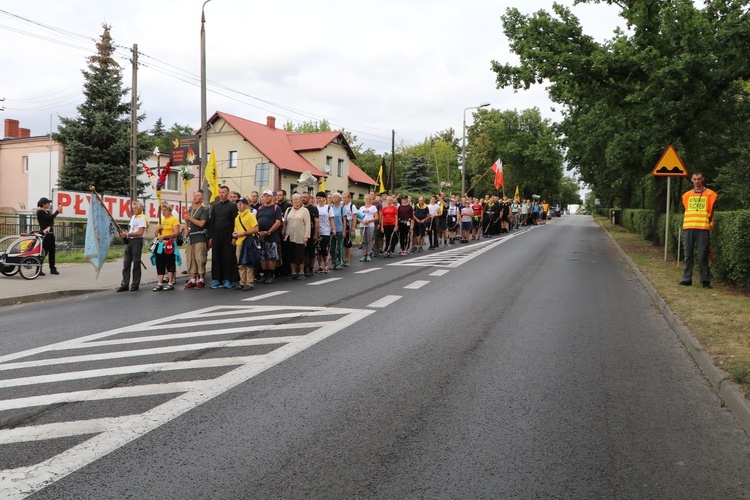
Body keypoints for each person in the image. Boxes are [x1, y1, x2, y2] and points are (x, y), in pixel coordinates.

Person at [679, 172, 718, 289]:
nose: (697, 181)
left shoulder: (711, 194)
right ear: (691, 180)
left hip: (703, 228)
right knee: (688, 255)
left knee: (703, 255)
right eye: (695, 179)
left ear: (703, 179)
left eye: (699, 179)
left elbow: (712, 212)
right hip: (689, 228)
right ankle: (686, 279)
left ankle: (705, 281)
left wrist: (710, 224)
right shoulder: (686, 195)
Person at [207, 185, 239, 289]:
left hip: (228, 235)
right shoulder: (215, 206)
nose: (221, 194)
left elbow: (235, 222)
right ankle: (217, 279)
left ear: (228, 194)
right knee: (216, 257)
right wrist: (211, 237)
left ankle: (228, 279)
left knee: (228, 257)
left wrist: (234, 237)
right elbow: (212, 222)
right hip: (216, 235)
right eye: (220, 192)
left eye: (223, 192)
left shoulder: (233, 206)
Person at [117, 201, 148, 292]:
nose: (134, 210)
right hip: (130, 240)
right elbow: (131, 229)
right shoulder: (133, 217)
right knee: (126, 263)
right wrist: (126, 234)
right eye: (133, 208)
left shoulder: (142, 218)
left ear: (141, 209)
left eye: (136, 208)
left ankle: (135, 283)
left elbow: (140, 232)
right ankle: (125, 283)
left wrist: (128, 234)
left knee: (136, 263)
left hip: (137, 241)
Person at [183, 191, 209, 289]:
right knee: (190, 258)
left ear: (201, 199)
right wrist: (185, 229)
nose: (195, 197)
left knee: (200, 258)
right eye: (194, 195)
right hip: (191, 237)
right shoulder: (190, 210)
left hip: (199, 236)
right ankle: (192, 278)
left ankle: (201, 279)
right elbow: (186, 222)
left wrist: (190, 218)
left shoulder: (203, 210)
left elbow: (202, 224)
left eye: (197, 196)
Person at [255, 190, 283, 283]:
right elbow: (256, 221)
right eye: (264, 196)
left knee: (271, 256)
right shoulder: (260, 208)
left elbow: (278, 222)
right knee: (263, 257)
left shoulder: (276, 208)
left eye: (268, 196)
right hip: (261, 236)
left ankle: (271, 275)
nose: (266, 198)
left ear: (272, 197)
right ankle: (265, 274)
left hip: (272, 236)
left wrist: (269, 232)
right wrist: (259, 232)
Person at [232, 197, 259, 291]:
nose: (239, 205)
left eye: (241, 203)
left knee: (248, 262)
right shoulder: (237, 217)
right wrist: (234, 234)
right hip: (239, 242)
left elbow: (255, 228)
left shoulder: (250, 215)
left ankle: (249, 283)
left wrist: (244, 233)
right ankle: (242, 282)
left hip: (248, 241)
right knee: (240, 263)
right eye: (238, 203)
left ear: (246, 205)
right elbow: (236, 229)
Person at [282, 193, 311, 280]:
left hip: (300, 236)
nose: (295, 201)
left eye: (297, 199)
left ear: (301, 200)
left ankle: (301, 272)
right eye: (294, 200)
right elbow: (285, 222)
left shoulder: (305, 211)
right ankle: (293, 272)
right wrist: (283, 232)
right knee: (291, 255)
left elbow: (307, 224)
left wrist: (306, 236)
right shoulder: (289, 209)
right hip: (289, 235)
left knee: (300, 255)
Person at [152, 204, 180, 291]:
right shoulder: (161, 220)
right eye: (162, 210)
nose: (163, 212)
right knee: (160, 262)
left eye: (165, 210)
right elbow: (156, 234)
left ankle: (170, 282)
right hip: (160, 244)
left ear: (169, 211)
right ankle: (159, 283)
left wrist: (164, 236)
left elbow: (176, 233)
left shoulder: (174, 220)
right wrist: (158, 229)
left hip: (169, 243)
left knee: (169, 262)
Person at [36, 197, 59, 275]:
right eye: (48, 203)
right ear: (44, 204)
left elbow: (52, 221)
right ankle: (38, 269)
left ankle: (52, 268)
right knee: (44, 251)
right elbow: (50, 218)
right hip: (44, 235)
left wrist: (49, 227)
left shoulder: (47, 212)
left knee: (52, 251)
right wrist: (57, 211)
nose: (49, 204)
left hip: (50, 234)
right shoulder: (40, 212)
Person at [315, 191, 334, 273]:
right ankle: (320, 265)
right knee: (318, 249)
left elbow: (331, 219)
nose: (318, 199)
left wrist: (334, 229)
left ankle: (326, 265)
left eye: (320, 198)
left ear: (324, 199)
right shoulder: (316, 208)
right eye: (317, 198)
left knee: (323, 248)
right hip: (317, 231)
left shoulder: (328, 208)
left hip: (326, 230)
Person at [301, 192, 319, 276]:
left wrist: (315, 234)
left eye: (305, 197)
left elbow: (316, 222)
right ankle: (304, 267)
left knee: (311, 252)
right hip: (301, 233)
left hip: (311, 233)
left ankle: (311, 268)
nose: (303, 199)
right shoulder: (300, 208)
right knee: (303, 252)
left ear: (309, 198)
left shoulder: (313, 209)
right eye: (302, 197)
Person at [359, 194, 379, 261]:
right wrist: (362, 221)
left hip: (370, 225)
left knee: (369, 240)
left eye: (368, 198)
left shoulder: (373, 207)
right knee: (363, 240)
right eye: (365, 198)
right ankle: (364, 254)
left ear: (370, 200)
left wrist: (369, 220)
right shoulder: (361, 208)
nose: (366, 200)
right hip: (362, 225)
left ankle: (369, 254)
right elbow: (357, 217)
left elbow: (376, 217)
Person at [342, 191, 358, 266]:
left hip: (350, 223)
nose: (344, 199)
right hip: (343, 224)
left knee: (349, 242)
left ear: (349, 198)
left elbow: (354, 218)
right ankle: (344, 259)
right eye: (343, 198)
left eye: (345, 198)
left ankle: (348, 260)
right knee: (344, 243)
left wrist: (353, 229)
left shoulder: (352, 206)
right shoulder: (342, 205)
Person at [330, 193, 345, 269]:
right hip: (332, 230)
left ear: (339, 199)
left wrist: (344, 231)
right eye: (333, 197)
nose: (335, 199)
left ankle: (339, 262)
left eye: (336, 197)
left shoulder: (342, 208)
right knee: (332, 247)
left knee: (339, 247)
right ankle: (333, 262)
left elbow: (344, 220)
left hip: (339, 229)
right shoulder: (331, 208)